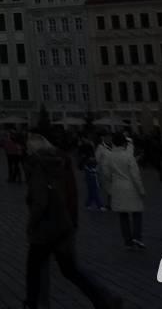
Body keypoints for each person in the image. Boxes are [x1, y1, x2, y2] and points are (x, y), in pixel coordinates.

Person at [22, 128, 122, 309]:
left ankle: (34, 304)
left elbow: (40, 201)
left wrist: (31, 224)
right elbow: (71, 192)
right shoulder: (60, 162)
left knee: (35, 270)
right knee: (70, 269)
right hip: (63, 223)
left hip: (45, 228)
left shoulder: (38, 166)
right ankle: (105, 297)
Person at [96, 131, 144, 250]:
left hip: (117, 186)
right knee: (136, 212)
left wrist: (111, 185)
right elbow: (135, 175)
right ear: (124, 143)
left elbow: (106, 173)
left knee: (123, 215)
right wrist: (141, 189)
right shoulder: (128, 156)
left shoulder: (109, 156)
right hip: (131, 186)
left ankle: (127, 241)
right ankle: (137, 237)